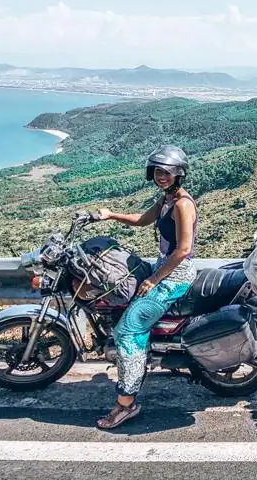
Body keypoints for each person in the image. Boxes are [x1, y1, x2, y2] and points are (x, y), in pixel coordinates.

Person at [94, 145, 198, 429]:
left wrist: (154, 280)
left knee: (127, 331)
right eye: (157, 171)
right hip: (164, 268)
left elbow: (183, 250)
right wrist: (110, 215)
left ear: (179, 174)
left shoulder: (182, 205)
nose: (161, 176)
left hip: (175, 276)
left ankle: (125, 404)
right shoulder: (166, 199)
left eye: (166, 172)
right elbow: (142, 220)